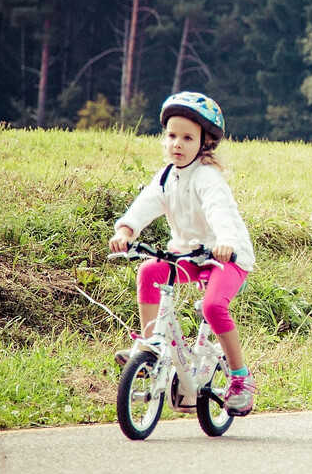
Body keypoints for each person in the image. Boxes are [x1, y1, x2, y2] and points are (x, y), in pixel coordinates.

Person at [108, 92, 259, 416]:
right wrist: (126, 231)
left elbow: (220, 212)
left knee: (213, 306)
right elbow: (146, 204)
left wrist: (226, 242)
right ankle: (151, 345)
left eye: (187, 137)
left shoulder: (207, 177)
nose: (177, 143)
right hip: (189, 254)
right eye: (172, 135)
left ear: (204, 143)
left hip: (227, 257)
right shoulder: (166, 176)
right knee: (149, 271)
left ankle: (239, 378)